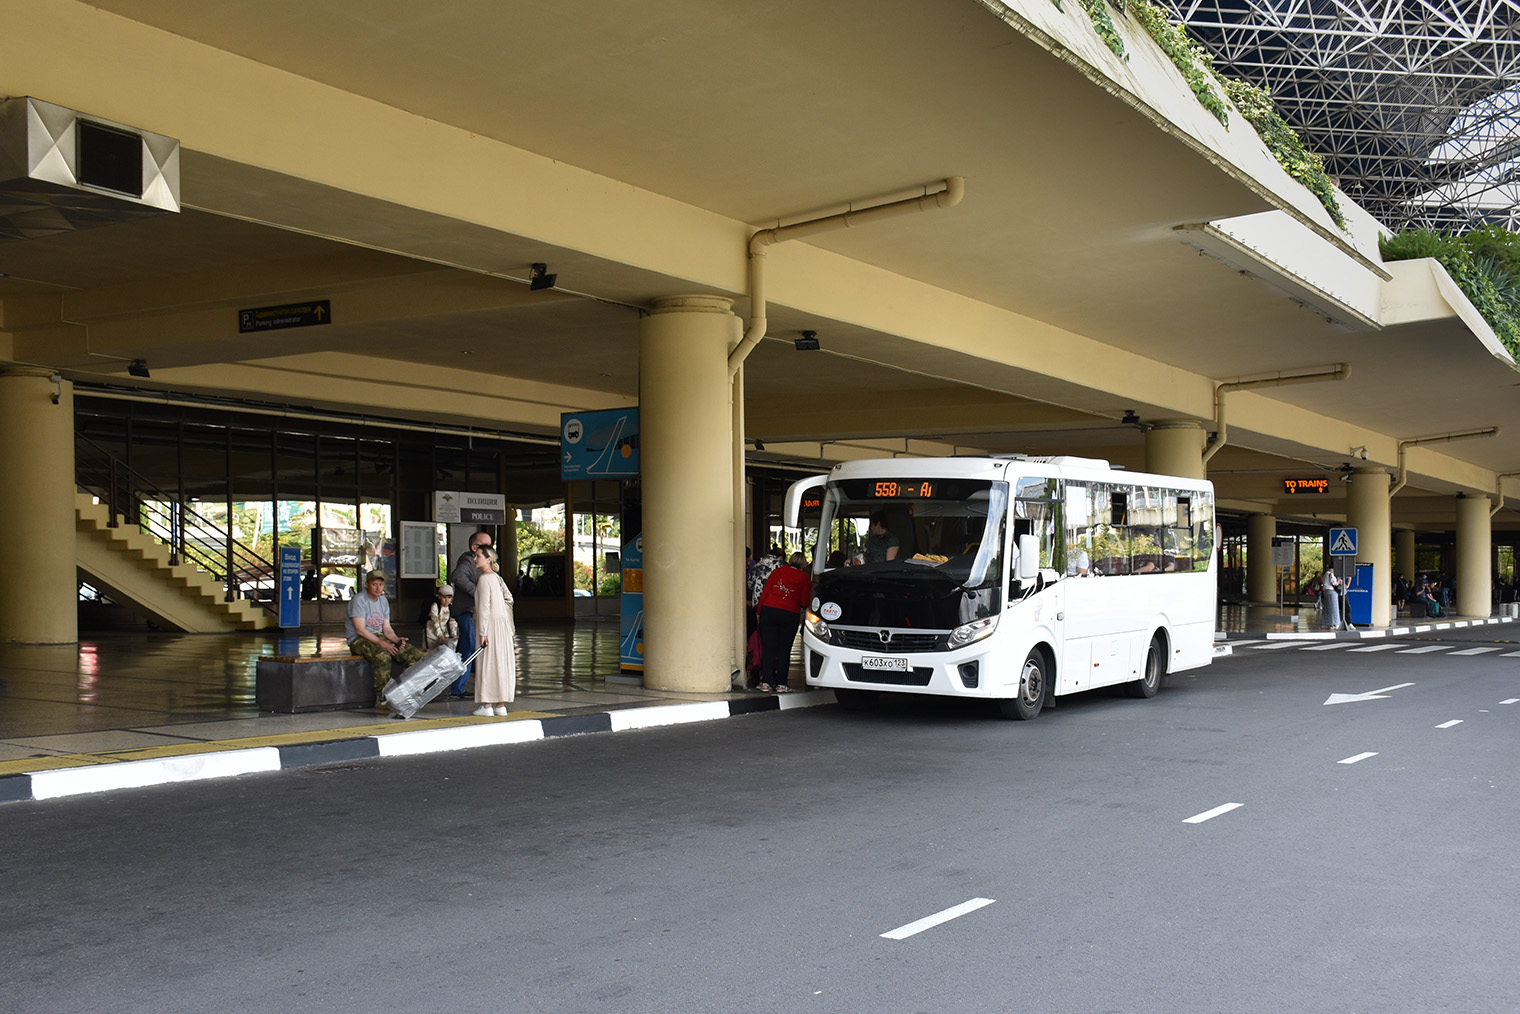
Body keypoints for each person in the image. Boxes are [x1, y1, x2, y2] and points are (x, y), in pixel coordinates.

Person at [346, 570, 425, 702]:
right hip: (359, 640)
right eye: (374, 584)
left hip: (379, 636)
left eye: (381, 585)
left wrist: (396, 640)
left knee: (415, 655)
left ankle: (402, 691)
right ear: (367, 585)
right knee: (383, 656)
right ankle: (382, 698)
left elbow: (387, 629)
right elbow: (360, 630)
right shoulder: (359, 600)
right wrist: (383, 643)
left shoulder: (383, 601)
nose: (378, 588)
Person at [469, 544, 518, 716]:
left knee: (487, 663)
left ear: (488, 559)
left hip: (489, 625)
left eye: (478, 556)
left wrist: (482, 632)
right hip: (502, 625)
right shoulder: (497, 578)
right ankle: (501, 704)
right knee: (502, 662)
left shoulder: (484, 579)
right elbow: (509, 598)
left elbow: (483, 608)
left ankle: (487, 705)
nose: (475, 559)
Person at [446, 530, 494, 699]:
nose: (489, 549)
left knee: (470, 648)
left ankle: (459, 687)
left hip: (474, 613)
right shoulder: (467, 560)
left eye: (490, 545)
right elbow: (457, 576)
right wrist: (477, 592)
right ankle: (457, 688)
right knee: (470, 649)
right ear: (474, 548)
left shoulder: (486, 563)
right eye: (485, 546)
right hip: (466, 612)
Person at [756, 552, 811, 693]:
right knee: (784, 650)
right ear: (803, 564)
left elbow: (765, 592)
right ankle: (781, 684)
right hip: (789, 614)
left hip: (769, 610)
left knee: (768, 648)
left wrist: (759, 612)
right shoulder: (804, 578)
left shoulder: (777, 571)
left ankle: (765, 682)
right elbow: (805, 602)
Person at [425, 584, 459, 651]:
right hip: (431, 632)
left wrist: (453, 634)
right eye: (444, 597)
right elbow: (435, 621)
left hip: (443, 631)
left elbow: (452, 622)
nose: (446, 600)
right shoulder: (435, 606)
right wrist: (439, 634)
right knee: (431, 651)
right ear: (439, 596)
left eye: (449, 598)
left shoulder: (450, 608)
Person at [1320, 565, 1344, 630]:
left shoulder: (1325, 574)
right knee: (1333, 608)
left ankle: (1325, 624)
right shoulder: (1331, 574)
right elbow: (1334, 583)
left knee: (1327, 609)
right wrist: (1339, 581)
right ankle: (1335, 624)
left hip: (1326, 592)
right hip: (1331, 592)